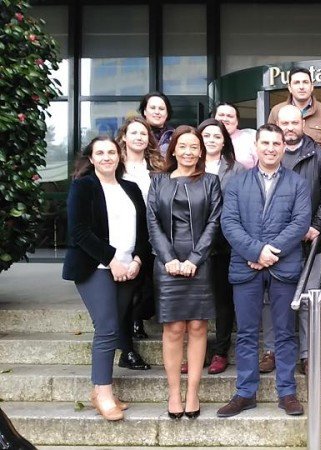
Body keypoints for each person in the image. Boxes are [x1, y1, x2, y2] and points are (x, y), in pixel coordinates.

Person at [217, 124, 311, 418]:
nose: (270, 148)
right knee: (246, 333)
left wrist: (269, 253)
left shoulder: (297, 183)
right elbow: (229, 222)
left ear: (284, 147)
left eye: (276, 143)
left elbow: (300, 222)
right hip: (246, 267)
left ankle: (287, 392)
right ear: (256, 147)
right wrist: (256, 251)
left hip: (284, 267)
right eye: (265, 143)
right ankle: (245, 393)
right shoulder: (236, 183)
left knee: (285, 333)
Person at [62, 136, 150, 421]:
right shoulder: (83, 187)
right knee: (108, 328)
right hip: (95, 268)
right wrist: (113, 261)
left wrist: (137, 259)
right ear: (91, 158)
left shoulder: (131, 188)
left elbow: (143, 231)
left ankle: (102, 389)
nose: (106, 157)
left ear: (119, 156)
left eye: (111, 152)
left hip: (128, 270)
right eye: (100, 153)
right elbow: (80, 232)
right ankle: (102, 392)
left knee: (114, 326)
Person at [147, 126, 222, 419]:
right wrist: (168, 258)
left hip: (199, 263)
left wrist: (195, 258)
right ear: (173, 150)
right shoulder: (158, 182)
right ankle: (174, 393)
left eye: (195, 147)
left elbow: (214, 222)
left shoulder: (211, 182)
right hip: (166, 263)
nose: (189, 151)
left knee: (198, 327)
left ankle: (193, 392)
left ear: (201, 151)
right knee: (174, 328)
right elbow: (152, 222)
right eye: (183, 146)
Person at [260, 105, 321, 376]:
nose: (290, 127)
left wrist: (317, 226)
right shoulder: (270, 155)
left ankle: (308, 354)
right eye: (285, 123)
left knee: (308, 300)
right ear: (277, 124)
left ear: (303, 124)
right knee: (271, 299)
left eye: (295, 122)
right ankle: (271, 350)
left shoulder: (319, 155)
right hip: (274, 243)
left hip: (310, 242)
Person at [198, 118, 246, 374]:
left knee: (222, 300)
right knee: (195, 301)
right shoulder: (188, 165)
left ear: (225, 141)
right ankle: (197, 351)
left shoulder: (236, 169)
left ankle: (220, 350)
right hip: (192, 244)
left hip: (224, 244)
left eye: (217, 136)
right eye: (207, 135)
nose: (212, 140)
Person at [116, 116, 162, 369]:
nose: (139, 137)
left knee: (150, 286)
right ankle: (126, 348)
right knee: (127, 290)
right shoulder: (115, 164)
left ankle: (138, 316)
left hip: (152, 232)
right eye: (134, 133)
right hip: (123, 234)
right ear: (124, 136)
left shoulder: (156, 165)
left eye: (144, 134)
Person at [267, 67, 321, 150]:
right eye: (297, 82)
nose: (301, 87)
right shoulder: (277, 111)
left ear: (312, 86)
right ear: (289, 87)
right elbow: (269, 141)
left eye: (305, 82)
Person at [214, 102, 258, 169]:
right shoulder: (205, 138)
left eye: (230, 116)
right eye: (221, 115)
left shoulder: (250, 138)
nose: (225, 119)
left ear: (237, 121)